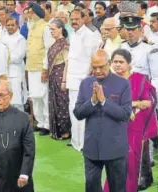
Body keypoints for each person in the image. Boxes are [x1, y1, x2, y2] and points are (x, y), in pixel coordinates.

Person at [73, 49, 132, 192]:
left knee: (117, 188)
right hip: (92, 148)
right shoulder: (86, 83)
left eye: (101, 67)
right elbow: (78, 113)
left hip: (115, 148)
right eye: (94, 67)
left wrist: (104, 101)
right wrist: (92, 101)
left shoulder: (123, 84)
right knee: (91, 186)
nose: (97, 71)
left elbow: (125, 114)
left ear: (109, 64)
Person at [102, 49, 158, 192]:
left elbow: (147, 103)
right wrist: (132, 103)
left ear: (129, 63)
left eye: (121, 62)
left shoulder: (139, 79)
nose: (118, 65)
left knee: (131, 162)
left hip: (134, 127)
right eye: (115, 62)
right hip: (114, 127)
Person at [0, 80, 35, 192]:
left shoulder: (23, 118)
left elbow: (29, 150)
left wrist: (24, 174)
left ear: (10, 96)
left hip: (16, 176)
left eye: (1, 95)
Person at [66, 9, 96, 151]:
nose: (74, 22)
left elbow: (91, 59)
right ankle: (75, 140)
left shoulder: (90, 35)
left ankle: (84, 143)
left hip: (83, 78)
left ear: (84, 19)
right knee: (72, 108)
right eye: (72, 19)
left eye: (77, 19)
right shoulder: (73, 34)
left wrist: (87, 79)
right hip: (72, 78)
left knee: (83, 110)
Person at [43, 19, 71, 140]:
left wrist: (64, 80)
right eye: (50, 29)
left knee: (62, 103)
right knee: (54, 102)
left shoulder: (64, 44)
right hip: (53, 76)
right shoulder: (54, 44)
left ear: (61, 29)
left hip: (61, 76)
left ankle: (65, 131)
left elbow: (67, 63)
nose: (51, 31)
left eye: (53, 29)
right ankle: (57, 131)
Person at [25, 2, 50, 136]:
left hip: (41, 67)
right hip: (31, 66)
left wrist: (45, 68)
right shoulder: (31, 26)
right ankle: (40, 122)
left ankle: (47, 124)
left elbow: (47, 48)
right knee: (35, 96)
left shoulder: (45, 27)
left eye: (30, 12)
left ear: (35, 13)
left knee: (43, 96)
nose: (28, 15)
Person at [1, 17, 27, 111]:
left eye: (12, 25)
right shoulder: (3, 38)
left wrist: (6, 58)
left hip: (16, 73)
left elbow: (19, 56)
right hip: (5, 73)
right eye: (8, 25)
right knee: (6, 99)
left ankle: (20, 123)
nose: (10, 27)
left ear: (17, 26)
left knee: (17, 100)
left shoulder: (21, 39)